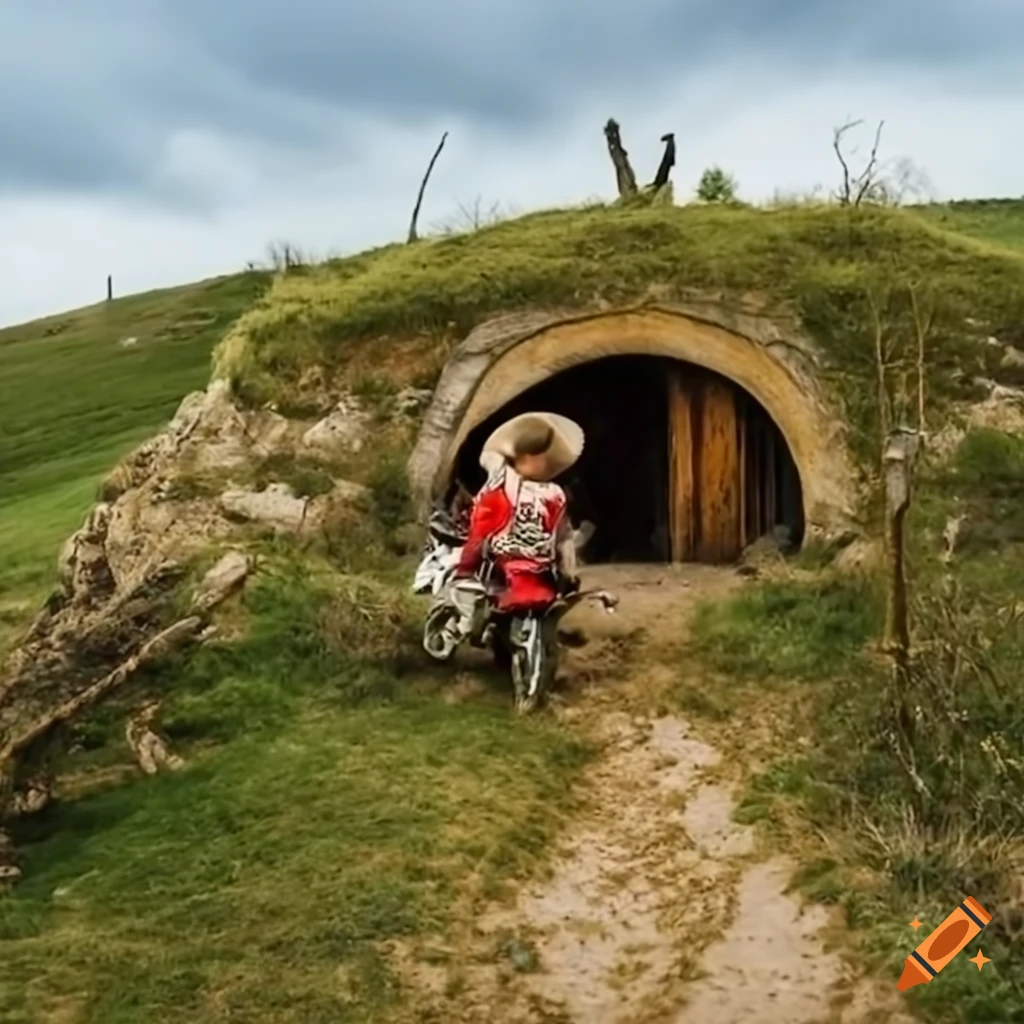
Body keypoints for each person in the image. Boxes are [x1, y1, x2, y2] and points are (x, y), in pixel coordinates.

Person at [455, 412, 582, 612]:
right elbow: (481, 531)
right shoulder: (503, 484)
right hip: (502, 561)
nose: (545, 464)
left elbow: (562, 534)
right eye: (537, 457)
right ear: (521, 456)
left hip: (540, 563)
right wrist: (466, 568)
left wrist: (568, 571)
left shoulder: (553, 494)